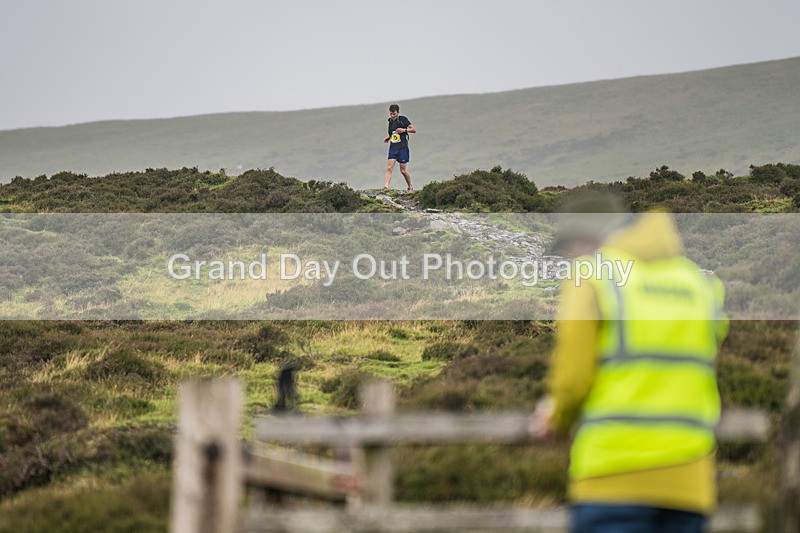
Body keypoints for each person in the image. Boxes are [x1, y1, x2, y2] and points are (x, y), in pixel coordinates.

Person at [530, 193, 728, 533]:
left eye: (572, 247)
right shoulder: (699, 283)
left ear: (592, 238)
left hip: (613, 473)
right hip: (691, 482)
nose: (571, 258)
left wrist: (555, 417)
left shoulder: (594, 276)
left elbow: (573, 380)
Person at [383, 103, 416, 191]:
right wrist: (389, 138)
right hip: (393, 147)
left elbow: (413, 129)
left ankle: (409, 186)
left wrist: (404, 130)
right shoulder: (390, 121)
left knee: (403, 171)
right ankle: (386, 187)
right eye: (391, 114)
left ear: (398, 112)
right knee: (389, 168)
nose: (392, 115)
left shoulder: (403, 119)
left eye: (394, 114)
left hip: (403, 148)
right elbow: (393, 133)